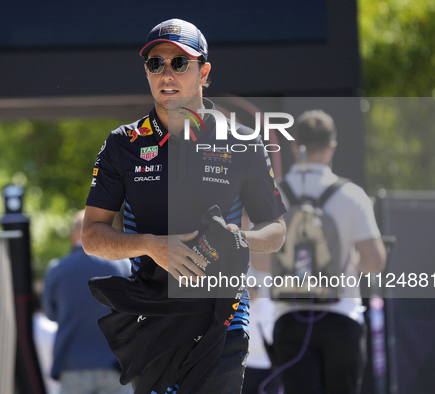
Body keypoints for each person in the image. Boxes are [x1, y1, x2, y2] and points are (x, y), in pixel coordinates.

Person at [82, 18, 287, 393]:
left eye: (179, 63)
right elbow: (92, 236)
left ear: (203, 72)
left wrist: (238, 238)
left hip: (223, 316)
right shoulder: (122, 143)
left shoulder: (243, 141)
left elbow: (276, 232)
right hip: (153, 318)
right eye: (155, 64)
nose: (166, 74)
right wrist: (150, 245)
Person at [272, 110, 386, 394]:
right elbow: (374, 261)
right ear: (331, 147)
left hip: (289, 319)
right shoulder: (353, 195)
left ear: (295, 145)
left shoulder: (274, 194)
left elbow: (259, 262)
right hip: (341, 318)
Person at [43, 209, 132, 394]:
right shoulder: (123, 265)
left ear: (72, 235)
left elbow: (51, 315)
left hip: (72, 367)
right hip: (116, 366)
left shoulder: (57, 269)